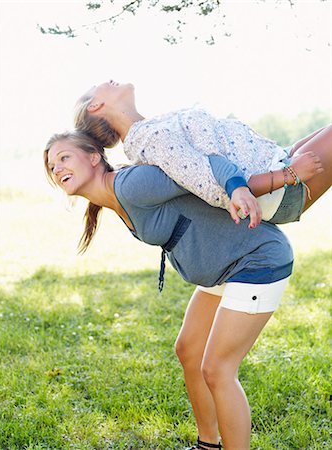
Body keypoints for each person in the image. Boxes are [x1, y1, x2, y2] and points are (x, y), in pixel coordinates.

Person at [44, 130, 329, 450]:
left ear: (94, 157)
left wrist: (285, 175)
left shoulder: (133, 185)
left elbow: (208, 166)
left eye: (64, 157)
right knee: (189, 350)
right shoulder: (114, 196)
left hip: (256, 261)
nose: (56, 168)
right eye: (52, 165)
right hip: (225, 268)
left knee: (217, 370)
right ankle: (208, 445)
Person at [73, 80, 331, 228]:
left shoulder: (151, 129)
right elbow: (216, 187)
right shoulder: (150, 141)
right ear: (96, 106)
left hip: (279, 160)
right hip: (279, 186)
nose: (107, 80)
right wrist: (289, 174)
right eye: (98, 86)